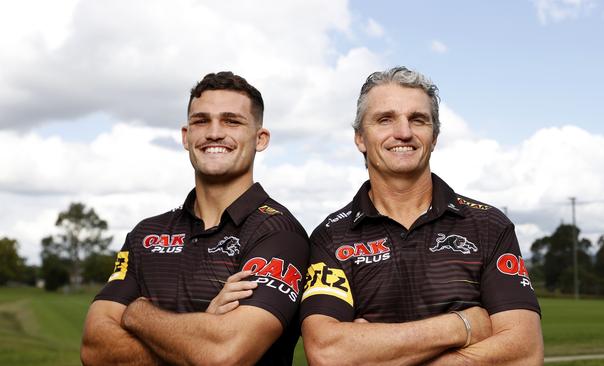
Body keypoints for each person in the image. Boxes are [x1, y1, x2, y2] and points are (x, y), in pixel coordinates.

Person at [300, 66, 543, 365]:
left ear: (434, 136)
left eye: (418, 120)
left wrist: (373, 350)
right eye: (385, 119)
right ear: (360, 138)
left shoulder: (489, 225)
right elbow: (327, 353)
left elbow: (523, 353)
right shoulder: (331, 236)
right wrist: (462, 325)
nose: (403, 132)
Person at [81, 71, 310, 366]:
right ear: (186, 137)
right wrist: (201, 328)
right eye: (201, 120)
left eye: (232, 121)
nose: (214, 132)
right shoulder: (147, 234)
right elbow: (95, 349)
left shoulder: (278, 233)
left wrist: (137, 313)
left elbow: (223, 355)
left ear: (260, 138)